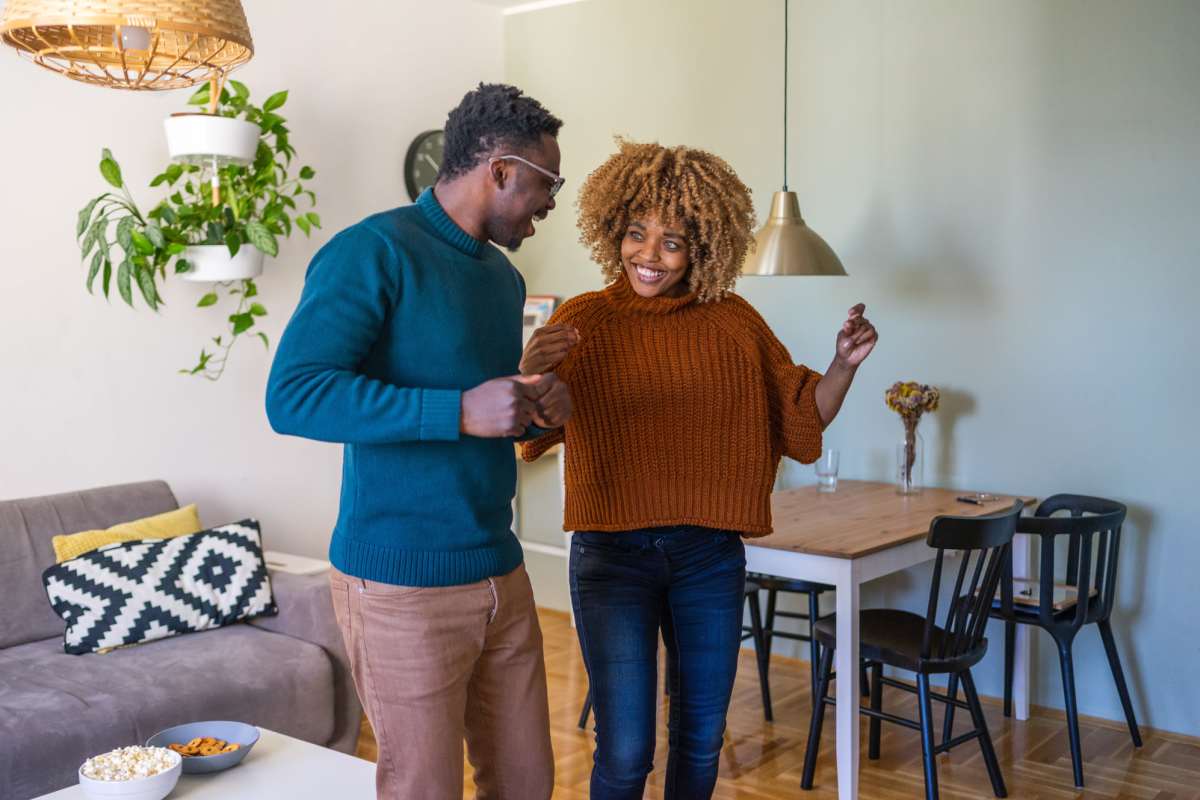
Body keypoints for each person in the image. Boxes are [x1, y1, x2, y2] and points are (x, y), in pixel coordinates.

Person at [519, 139, 878, 799]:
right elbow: (532, 430)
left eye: (673, 242)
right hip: (610, 558)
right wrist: (533, 374)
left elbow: (800, 415)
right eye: (636, 234)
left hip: (707, 556)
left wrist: (843, 367)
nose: (649, 255)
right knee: (625, 752)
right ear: (613, 232)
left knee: (700, 741)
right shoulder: (582, 322)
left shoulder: (734, 324)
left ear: (704, 249)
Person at [266, 83, 571, 800]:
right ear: (500, 170)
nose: (552, 201)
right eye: (547, 182)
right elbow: (294, 395)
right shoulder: (371, 252)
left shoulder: (503, 278)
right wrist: (460, 411)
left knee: (528, 783)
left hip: (499, 569)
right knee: (425, 789)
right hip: (400, 584)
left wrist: (533, 408)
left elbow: (482, 403)